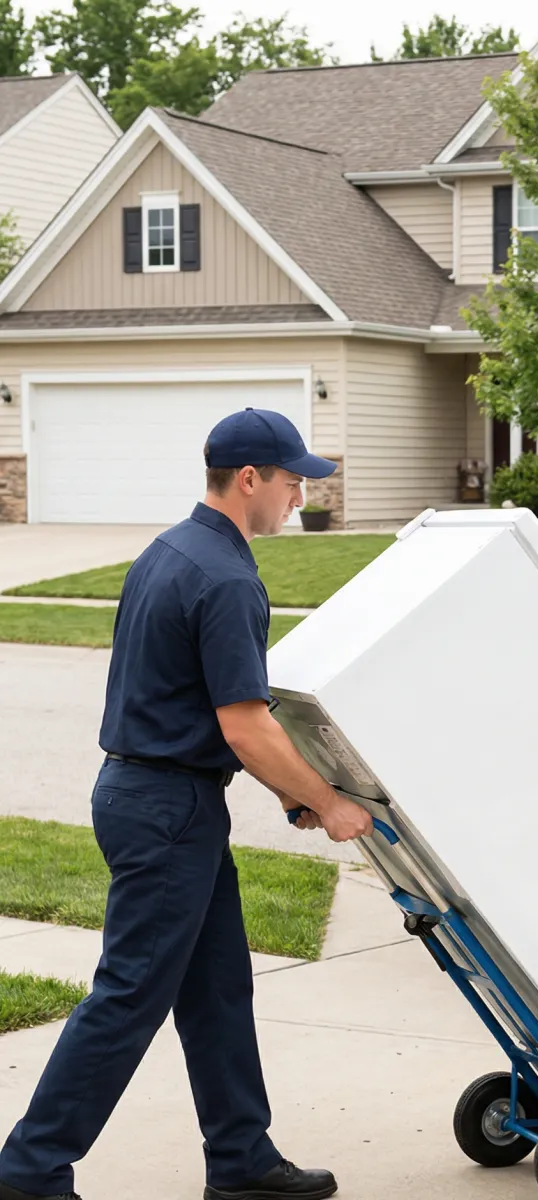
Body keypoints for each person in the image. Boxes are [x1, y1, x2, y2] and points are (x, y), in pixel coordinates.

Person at [0, 409, 375, 1200]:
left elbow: (205, 710)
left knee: (214, 988)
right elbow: (244, 724)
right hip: (168, 809)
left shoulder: (171, 550)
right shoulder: (228, 577)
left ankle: (240, 1157)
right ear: (250, 480)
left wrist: (285, 793)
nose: (297, 499)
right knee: (131, 993)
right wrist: (325, 801)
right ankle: (28, 1172)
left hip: (157, 795)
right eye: (291, 482)